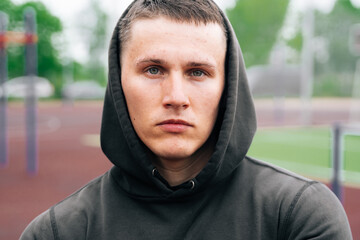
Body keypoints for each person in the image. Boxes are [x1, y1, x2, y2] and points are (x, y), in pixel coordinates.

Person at [21, 0, 353, 239]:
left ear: (228, 85)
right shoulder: (59, 231)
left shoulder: (296, 215)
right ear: (118, 82)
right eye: (153, 70)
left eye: (198, 72)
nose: (176, 96)